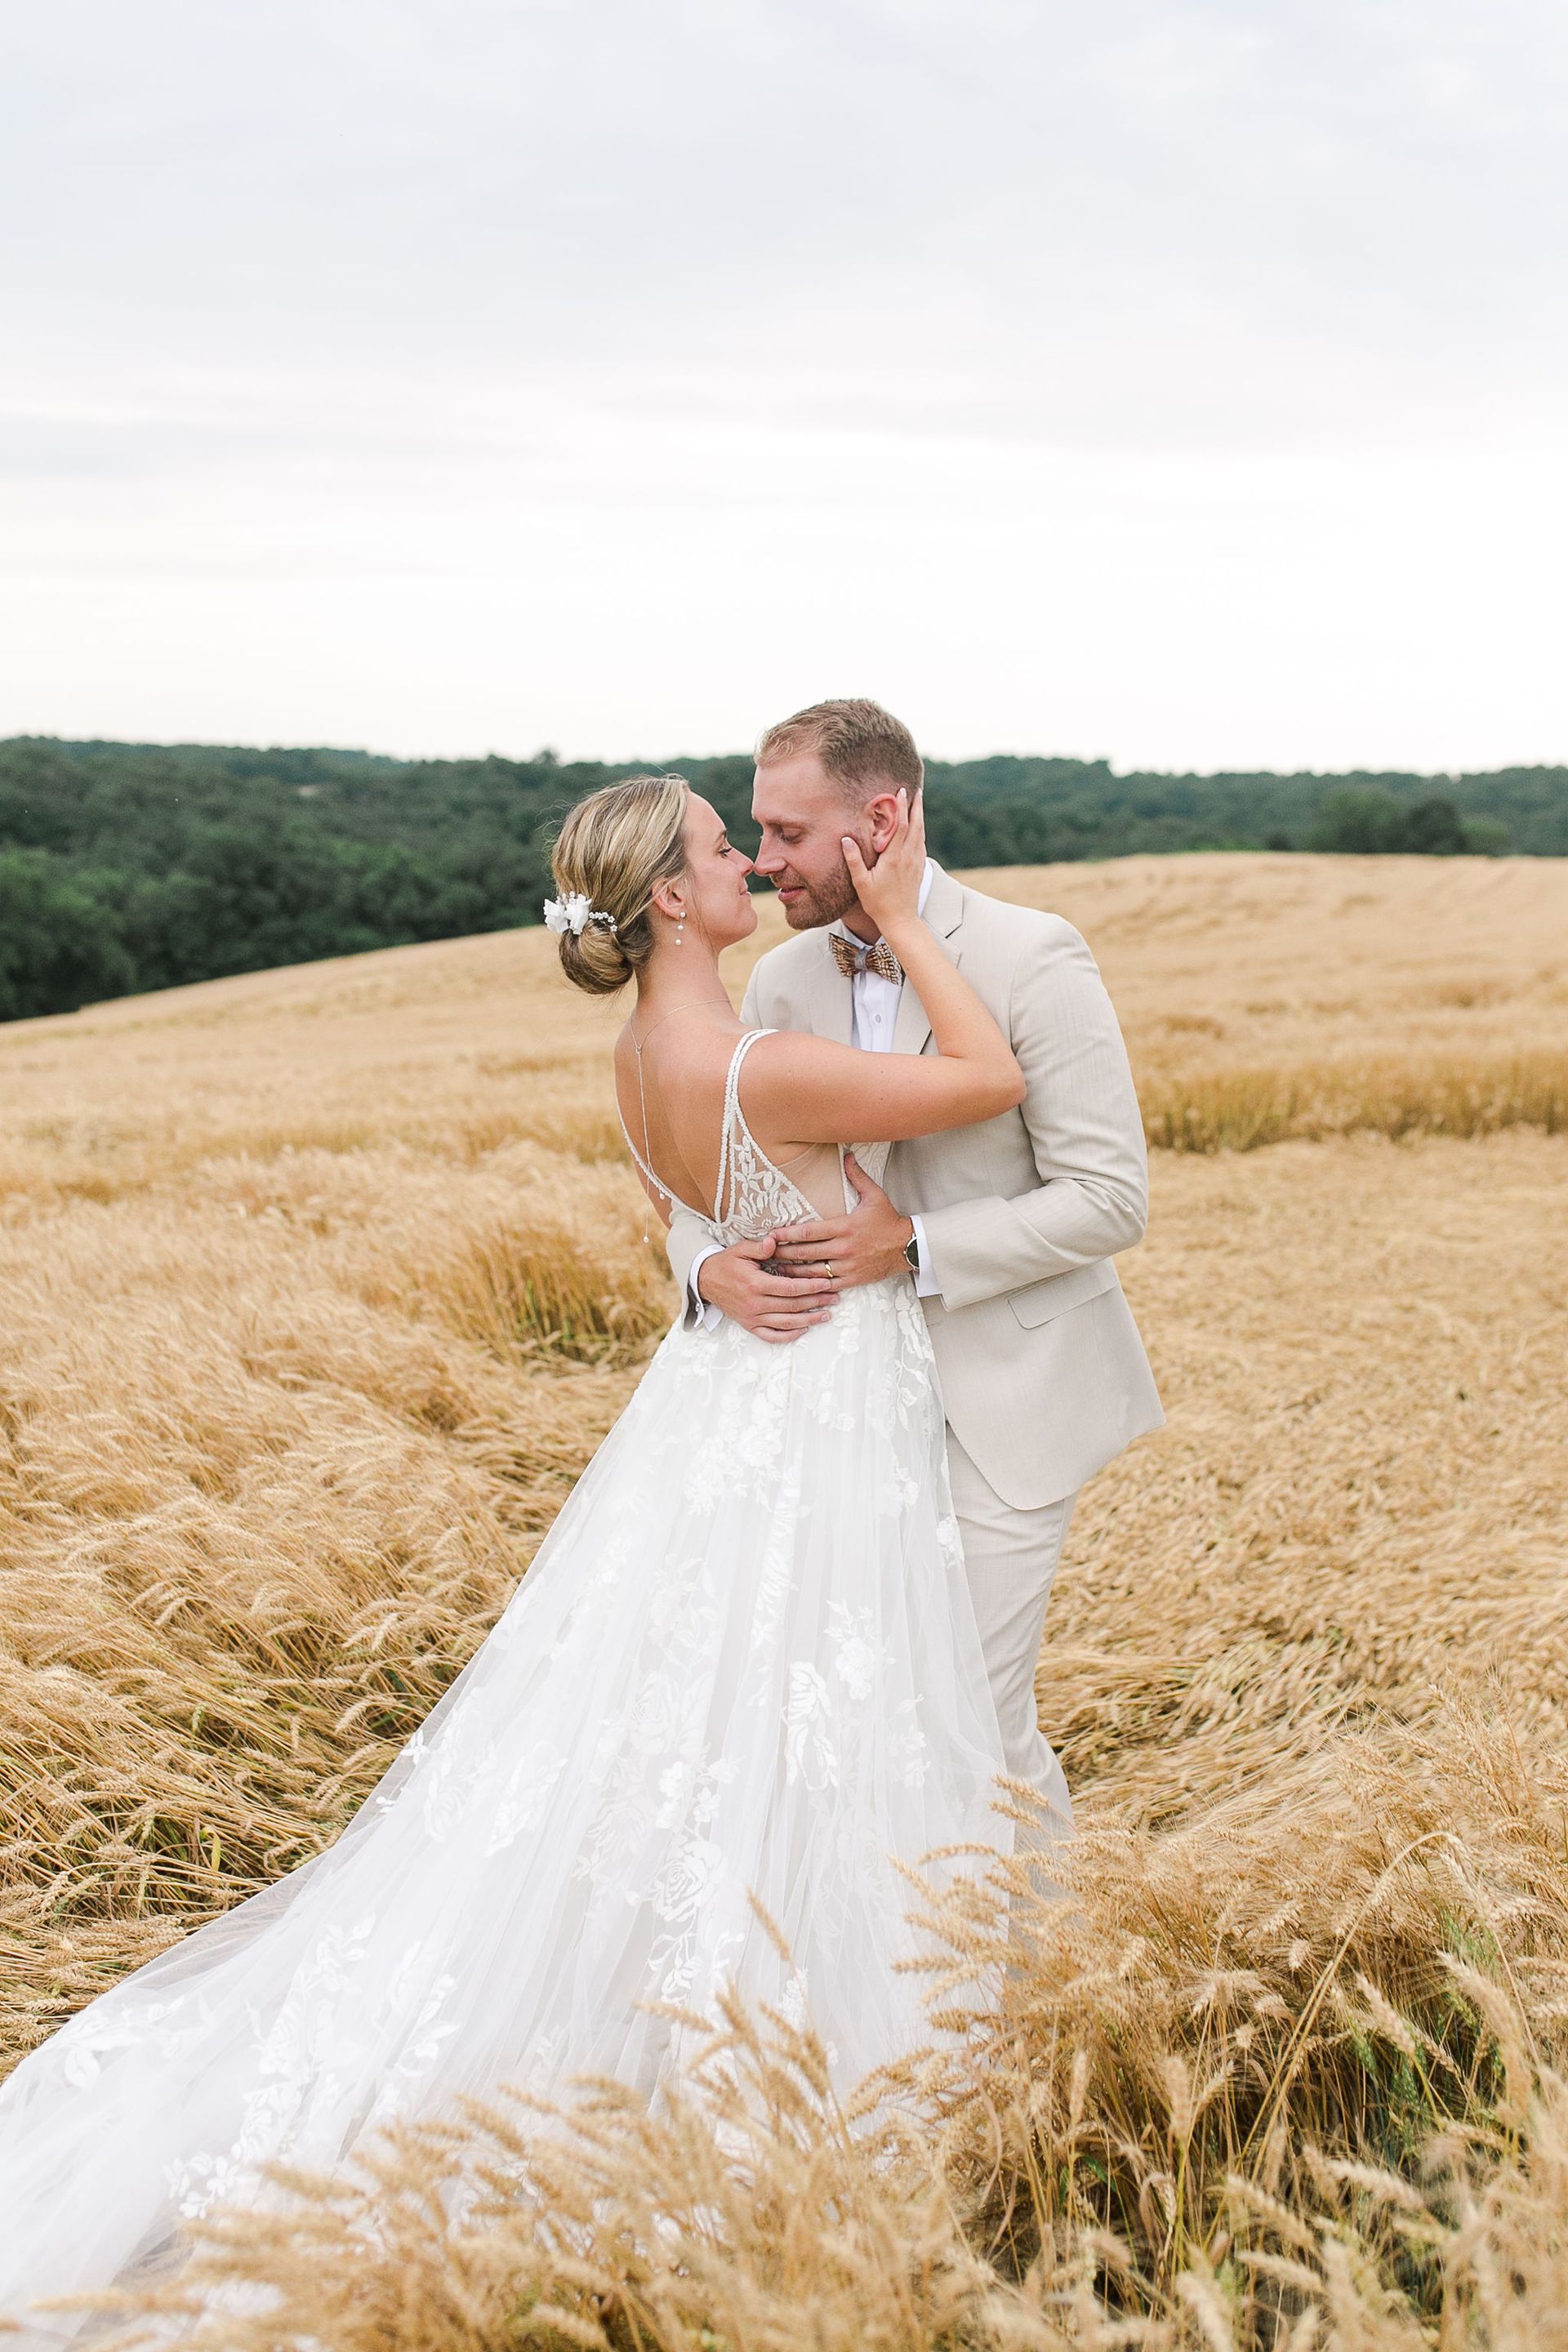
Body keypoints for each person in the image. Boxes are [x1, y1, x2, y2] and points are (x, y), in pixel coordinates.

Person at [0, 768, 1055, 2336]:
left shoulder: (641, 1058)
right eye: (720, 849)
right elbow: (986, 1079)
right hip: (821, 1414)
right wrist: (902, 913)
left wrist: (704, 1263)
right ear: (674, 904)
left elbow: (682, 1219)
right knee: (802, 1719)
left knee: (699, 1719)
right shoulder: (757, 1059)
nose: (745, 867)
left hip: (722, 1402)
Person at [666, 700, 1163, 1814]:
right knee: (876, 1710)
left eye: (790, 835)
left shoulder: (1033, 956)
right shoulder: (785, 982)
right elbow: (724, 1172)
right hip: (840, 1411)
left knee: (973, 1723)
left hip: (1008, 1401)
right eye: (757, 831)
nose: (764, 862)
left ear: (881, 820)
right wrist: (702, 1269)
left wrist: (918, 1246)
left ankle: (1029, 1980)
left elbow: (1109, 1199)